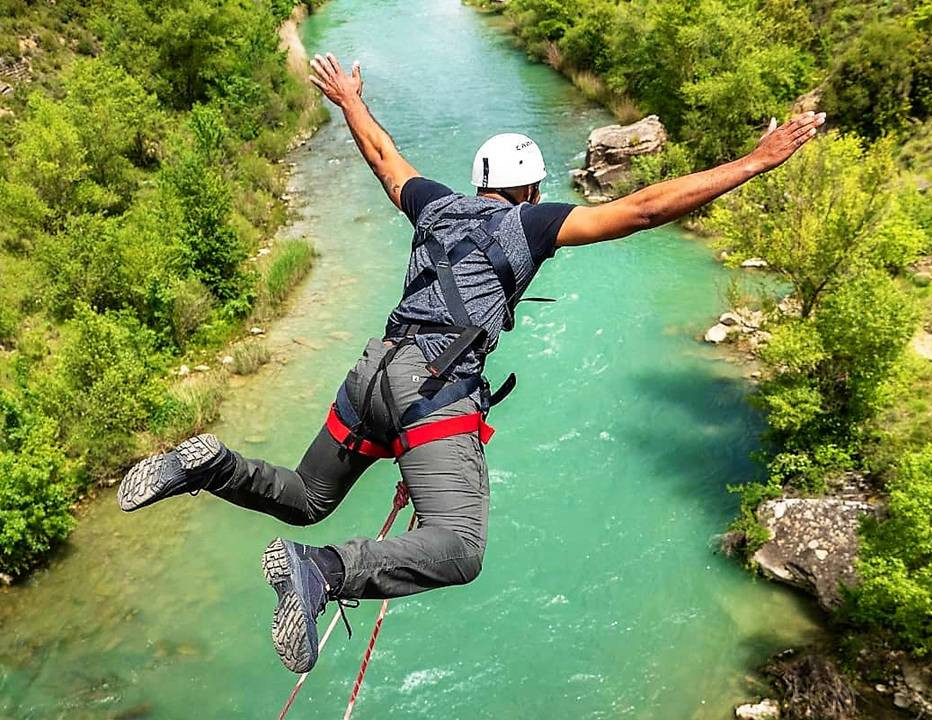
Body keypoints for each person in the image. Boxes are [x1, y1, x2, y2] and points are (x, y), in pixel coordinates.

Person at [118, 52, 826, 674]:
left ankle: (207, 466)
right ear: (529, 190)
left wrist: (351, 100)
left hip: (373, 371)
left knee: (306, 497)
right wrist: (756, 162)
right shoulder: (532, 222)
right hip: (431, 391)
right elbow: (640, 210)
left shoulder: (436, 207)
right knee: (457, 549)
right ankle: (321, 570)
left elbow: (384, 157)